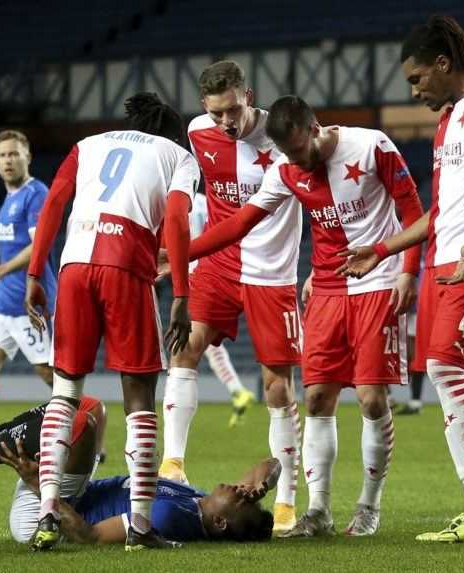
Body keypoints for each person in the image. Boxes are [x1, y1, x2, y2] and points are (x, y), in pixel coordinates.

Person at [181, 94, 425, 537]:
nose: (297, 163)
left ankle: (368, 508)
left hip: (377, 280)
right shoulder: (286, 170)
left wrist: (408, 272)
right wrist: (179, 255)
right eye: (288, 156)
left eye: (299, 151)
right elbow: (238, 225)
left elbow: (413, 210)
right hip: (328, 288)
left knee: (371, 399)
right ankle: (319, 512)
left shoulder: (372, 147)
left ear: (315, 129)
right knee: (316, 400)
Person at [337, 15, 464, 542]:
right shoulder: (448, 121)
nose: (416, 89)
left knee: (445, 366)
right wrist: (381, 250)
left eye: (418, 78)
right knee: (443, 376)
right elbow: (438, 212)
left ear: (443, 64)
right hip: (443, 259)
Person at [24, 92, 198, 551]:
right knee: (139, 395)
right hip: (126, 266)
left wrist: (33, 274)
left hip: (74, 265)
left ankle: (46, 513)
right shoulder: (179, 155)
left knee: (65, 392)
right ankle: (140, 526)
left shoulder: (87, 144)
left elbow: (54, 205)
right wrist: (181, 293)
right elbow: (178, 219)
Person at [158, 61, 302, 535]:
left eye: (234, 110)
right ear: (204, 108)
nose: (226, 122)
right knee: (184, 347)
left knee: (276, 385)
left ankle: (285, 504)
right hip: (219, 264)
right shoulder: (198, 134)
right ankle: (172, 464)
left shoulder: (283, 137)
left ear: (250, 95)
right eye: (217, 113)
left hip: (272, 270)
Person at [0, 440, 280, 546]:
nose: (240, 490)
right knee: (79, 415)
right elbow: (270, 464)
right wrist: (262, 484)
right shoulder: (200, 501)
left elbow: (88, 535)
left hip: (41, 516)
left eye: (241, 500)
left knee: (86, 419)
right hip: (68, 493)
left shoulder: (168, 517)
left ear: (220, 522)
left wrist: (39, 484)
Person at [0, 130, 57, 427]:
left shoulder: (36, 193)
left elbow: (39, 246)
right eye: (2, 155)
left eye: (14, 154)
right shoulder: (8, 199)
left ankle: (89, 431)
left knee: (50, 375)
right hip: (2, 302)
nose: (8, 160)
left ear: (27, 157)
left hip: (30, 302)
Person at [185, 188, 257, 428]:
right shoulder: (206, 202)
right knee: (206, 345)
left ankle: (236, 390)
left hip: (196, 271)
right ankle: (236, 390)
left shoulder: (178, 201)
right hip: (215, 262)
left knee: (193, 345)